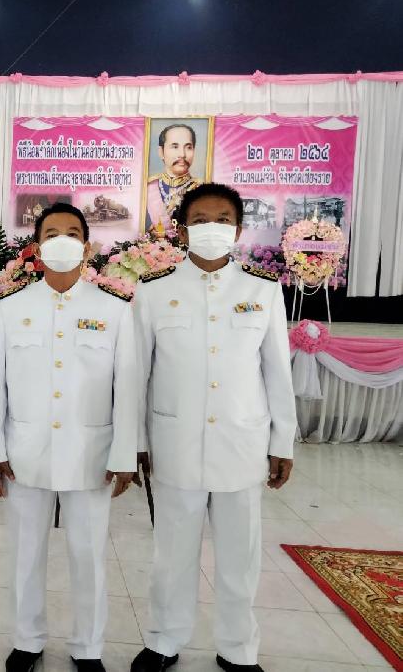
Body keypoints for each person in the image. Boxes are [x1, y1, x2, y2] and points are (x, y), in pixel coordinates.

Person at [130, 183, 296, 672]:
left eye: (222, 220)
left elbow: (277, 373)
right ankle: (164, 640)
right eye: (200, 220)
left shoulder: (262, 291)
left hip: (241, 445)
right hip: (174, 443)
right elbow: (138, 375)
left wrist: (282, 442)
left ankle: (238, 649)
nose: (211, 228)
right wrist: (136, 442)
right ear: (182, 231)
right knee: (172, 555)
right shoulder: (154, 291)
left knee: (240, 558)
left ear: (238, 230)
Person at [0, 203, 139, 672]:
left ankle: (88, 647)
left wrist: (124, 453)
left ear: (87, 247)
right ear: (36, 247)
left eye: (73, 233)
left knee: (88, 557)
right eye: (52, 233)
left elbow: (127, 389)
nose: (63, 241)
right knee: (25, 554)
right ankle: (27, 640)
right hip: (24, 452)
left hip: (91, 454)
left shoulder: (114, 310)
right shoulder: (11, 308)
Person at [145, 123, 202, 232]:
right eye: (175, 147)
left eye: (188, 147)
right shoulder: (147, 188)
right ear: (161, 152)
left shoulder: (201, 189)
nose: (182, 154)